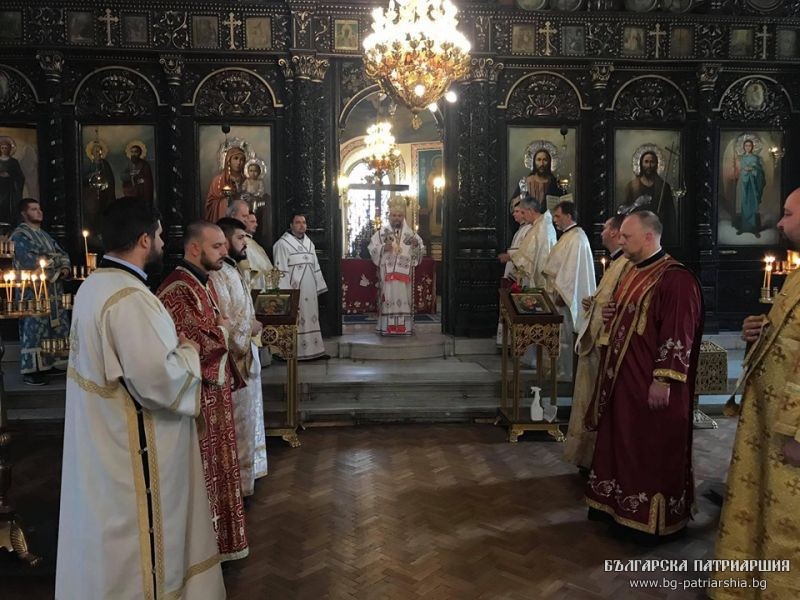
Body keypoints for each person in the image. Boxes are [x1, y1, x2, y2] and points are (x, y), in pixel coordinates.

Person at [56, 199, 225, 600]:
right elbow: (158, 380)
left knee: (107, 537)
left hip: (103, 439)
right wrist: (187, 351)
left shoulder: (94, 287)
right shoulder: (129, 299)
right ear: (144, 239)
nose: (165, 243)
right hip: (131, 447)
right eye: (161, 235)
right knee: (139, 542)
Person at [584, 211, 703, 540]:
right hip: (623, 382)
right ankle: (616, 508)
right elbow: (630, 321)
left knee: (648, 450)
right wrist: (611, 312)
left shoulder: (675, 279)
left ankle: (650, 523)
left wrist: (663, 379)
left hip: (652, 386)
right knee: (623, 445)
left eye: (627, 237)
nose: (620, 242)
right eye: (620, 236)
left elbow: (679, 334)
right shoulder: (632, 273)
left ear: (650, 237)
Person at [711, 188, 800, 598]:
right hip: (768, 423)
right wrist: (757, 334)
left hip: (790, 432)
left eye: (786, 214)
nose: (779, 224)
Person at [157, 221, 249, 561]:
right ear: (195, 248)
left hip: (213, 396)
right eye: (217, 246)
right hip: (198, 400)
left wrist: (221, 330)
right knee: (204, 474)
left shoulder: (200, 282)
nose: (224, 252)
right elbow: (190, 342)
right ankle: (202, 553)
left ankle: (219, 546)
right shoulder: (178, 289)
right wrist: (223, 332)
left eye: (225, 245)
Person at [564, 214, 630, 470]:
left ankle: (597, 459)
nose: (601, 232)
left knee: (597, 404)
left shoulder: (626, 264)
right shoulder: (616, 263)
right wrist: (592, 304)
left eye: (605, 228)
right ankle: (588, 456)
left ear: (615, 233)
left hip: (604, 345)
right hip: (595, 344)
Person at [210, 217, 268, 496]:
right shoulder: (218, 275)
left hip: (245, 354)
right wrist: (250, 328)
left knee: (246, 419)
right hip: (233, 360)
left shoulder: (233, 269)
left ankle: (246, 480)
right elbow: (223, 319)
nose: (245, 243)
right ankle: (236, 488)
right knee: (236, 422)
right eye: (240, 238)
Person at [11, 198, 72, 385]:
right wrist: (53, 262)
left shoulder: (45, 236)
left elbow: (62, 255)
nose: (39, 212)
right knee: (34, 328)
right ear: (24, 213)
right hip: (33, 292)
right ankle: (31, 370)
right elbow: (30, 260)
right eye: (34, 209)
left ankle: (49, 362)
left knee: (52, 328)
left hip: (52, 289)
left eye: (40, 208)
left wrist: (63, 267)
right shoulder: (20, 236)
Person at [542, 201, 596, 380]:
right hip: (560, 294)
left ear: (569, 216)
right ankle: (559, 369)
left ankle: (566, 373)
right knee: (559, 336)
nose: (555, 220)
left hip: (566, 296)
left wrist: (561, 294)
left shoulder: (576, 238)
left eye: (558, 216)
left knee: (566, 337)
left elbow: (571, 271)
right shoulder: (569, 236)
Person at [273, 213, 329, 360]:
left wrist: (319, 286)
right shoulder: (282, 244)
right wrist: (284, 292)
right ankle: (293, 352)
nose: (301, 225)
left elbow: (315, 266)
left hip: (310, 289)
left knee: (311, 317)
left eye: (304, 222)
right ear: (291, 225)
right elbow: (280, 270)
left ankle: (314, 350)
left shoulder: (310, 243)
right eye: (298, 222)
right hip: (294, 289)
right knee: (296, 318)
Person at [368, 198, 425, 336]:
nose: (397, 218)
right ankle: (387, 327)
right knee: (388, 298)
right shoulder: (382, 234)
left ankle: (404, 327)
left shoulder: (410, 234)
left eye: (399, 215)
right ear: (389, 216)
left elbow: (421, 249)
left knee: (404, 299)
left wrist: (416, 247)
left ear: (403, 217)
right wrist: (383, 248)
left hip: (404, 276)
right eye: (394, 215)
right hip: (387, 276)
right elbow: (372, 247)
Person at [623, 150, 677, 245]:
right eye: (646, 162)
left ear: (656, 164)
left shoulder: (663, 186)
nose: (649, 165)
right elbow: (625, 211)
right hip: (638, 232)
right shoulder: (632, 186)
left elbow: (670, 213)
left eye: (652, 162)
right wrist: (636, 204)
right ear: (641, 164)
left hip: (659, 234)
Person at [496, 196, 529, 345]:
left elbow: (525, 253)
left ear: (524, 213)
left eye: (517, 211)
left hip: (518, 274)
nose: (514, 214)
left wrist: (509, 256)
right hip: (512, 271)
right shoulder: (520, 230)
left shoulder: (528, 230)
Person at [228, 199, 273, 290]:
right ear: (233, 215)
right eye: (244, 216)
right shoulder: (228, 238)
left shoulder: (251, 242)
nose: (246, 220)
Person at [734, 138, 766, 237]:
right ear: (744, 147)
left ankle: (753, 229)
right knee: (744, 203)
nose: (748, 147)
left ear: (752, 147)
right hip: (744, 182)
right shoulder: (742, 158)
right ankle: (744, 228)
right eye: (746, 145)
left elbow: (759, 170)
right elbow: (742, 170)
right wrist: (746, 170)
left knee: (752, 204)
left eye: (749, 145)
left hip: (753, 183)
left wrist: (753, 169)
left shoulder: (756, 158)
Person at [206, 146, 246, 222]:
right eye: (236, 158)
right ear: (229, 160)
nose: (239, 162)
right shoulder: (218, 180)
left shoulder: (247, 180)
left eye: (242, 160)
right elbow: (211, 203)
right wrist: (225, 202)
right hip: (224, 217)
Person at [0, 136, 24, 225]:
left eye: (6, 148)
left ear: (10, 149)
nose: (4, 150)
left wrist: (10, 175)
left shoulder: (14, 162)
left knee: (8, 207)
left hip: (10, 190)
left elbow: (20, 177)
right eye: (2, 148)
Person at [121, 142, 154, 206]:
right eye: (132, 152)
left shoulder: (145, 165)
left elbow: (148, 180)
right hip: (130, 193)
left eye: (136, 152)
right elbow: (122, 176)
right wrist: (130, 174)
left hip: (141, 193)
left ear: (140, 153)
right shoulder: (128, 164)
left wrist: (141, 180)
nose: (133, 154)